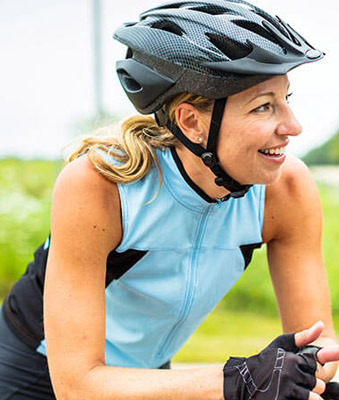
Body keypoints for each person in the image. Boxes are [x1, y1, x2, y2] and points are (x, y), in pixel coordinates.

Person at [0, 0, 338, 399]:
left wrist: (303, 368)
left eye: (286, 99)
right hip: (36, 370)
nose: (293, 126)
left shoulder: (286, 187)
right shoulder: (99, 185)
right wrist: (239, 381)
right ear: (191, 122)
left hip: (148, 374)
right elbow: (78, 386)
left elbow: (319, 346)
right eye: (264, 106)